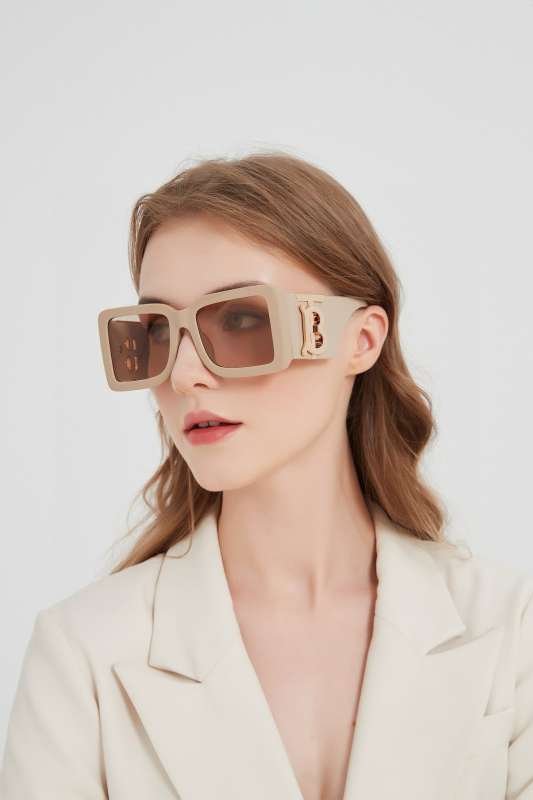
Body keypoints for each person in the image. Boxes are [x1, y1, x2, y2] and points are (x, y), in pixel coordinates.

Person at [1, 152, 532, 799]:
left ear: (359, 340)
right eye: (157, 333)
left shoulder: (510, 629)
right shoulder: (82, 652)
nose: (184, 375)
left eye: (241, 320)